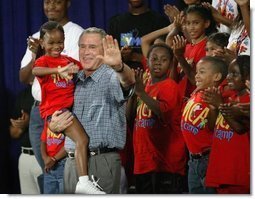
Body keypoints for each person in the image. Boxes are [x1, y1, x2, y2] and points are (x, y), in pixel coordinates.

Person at [48, 27, 135, 194]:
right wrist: (53, 126)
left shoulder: (111, 76)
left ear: (104, 50)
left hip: (101, 162)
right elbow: (56, 113)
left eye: (92, 47)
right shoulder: (73, 79)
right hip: (71, 163)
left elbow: (128, 81)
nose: (86, 52)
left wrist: (119, 67)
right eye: (82, 46)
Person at [32, 21, 105, 194]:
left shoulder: (67, 60)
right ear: (42, 43)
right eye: (51, 43)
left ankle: (82, 182)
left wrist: (102, 60)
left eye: (60, 42)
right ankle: (84, 182)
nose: (56, 46)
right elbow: (36, 71)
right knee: (82, 140)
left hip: (68, 111)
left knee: (80, 142)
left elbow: (86, 69)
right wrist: (58, 70)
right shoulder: (45, 61)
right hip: (55, 112)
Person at [19, 0, 83, 176]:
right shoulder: (37, 36)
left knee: (62, 170)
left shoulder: (78, 33)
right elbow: (24, 77)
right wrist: (36, 53)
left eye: (57, 2)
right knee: (48, 172)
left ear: (68, 3)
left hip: (63, 110)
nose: (51, 6)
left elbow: (80, 72)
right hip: (39, 111)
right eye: (47, 1)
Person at [127, 43, 187, 193]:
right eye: (154, 58)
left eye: (164, 59)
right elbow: (129, 117)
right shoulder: (144, 87)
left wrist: (142, 94)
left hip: (164, 164)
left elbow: (163, 113)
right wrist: (134, 93)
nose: (158, 62)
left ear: (171, 64)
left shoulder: (170, 86)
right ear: (147, 61)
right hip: (143, 161)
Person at [181, 56, 228, 193]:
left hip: (207, 160)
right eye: (196, 72)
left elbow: (213, 127)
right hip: (193, 159)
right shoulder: (198, 92)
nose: (196, 76)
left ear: (217, 76)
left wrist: (215, 107)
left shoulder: (218, 97)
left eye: (201, 72)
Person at [204, 55, 250, 194]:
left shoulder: (248, 100)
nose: (228, 77)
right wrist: (213, 107)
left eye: (234, 74)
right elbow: (211, 127)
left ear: (248, 77)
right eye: (229, 73)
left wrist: (219, 104)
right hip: (220, 169)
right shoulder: (229, 98)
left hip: (237, 173)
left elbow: (239, 128)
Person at [172, 4, 217, 102]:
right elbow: (173, 80)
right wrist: (175, 57)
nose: (191, 27)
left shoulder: (208, 47)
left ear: (206, 23)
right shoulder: (184, 46)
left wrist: (179, 57)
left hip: (196, 101)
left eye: (196, 23)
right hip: (179, 103)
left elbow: (195, 80)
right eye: (188, 23)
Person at [107, 0, 169, 69]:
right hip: (122, 75)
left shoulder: (160, 22)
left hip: (150, 76)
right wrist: (121, 56)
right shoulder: (116, 22)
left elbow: (165, 57)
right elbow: (109, 56)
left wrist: (136, 57)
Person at [9, 85, 42, 194]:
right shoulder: (24, 94)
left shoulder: (50, 89)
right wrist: (21, 126)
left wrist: (30, 122)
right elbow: (14, 133)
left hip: (43, 157)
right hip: (24, 157)